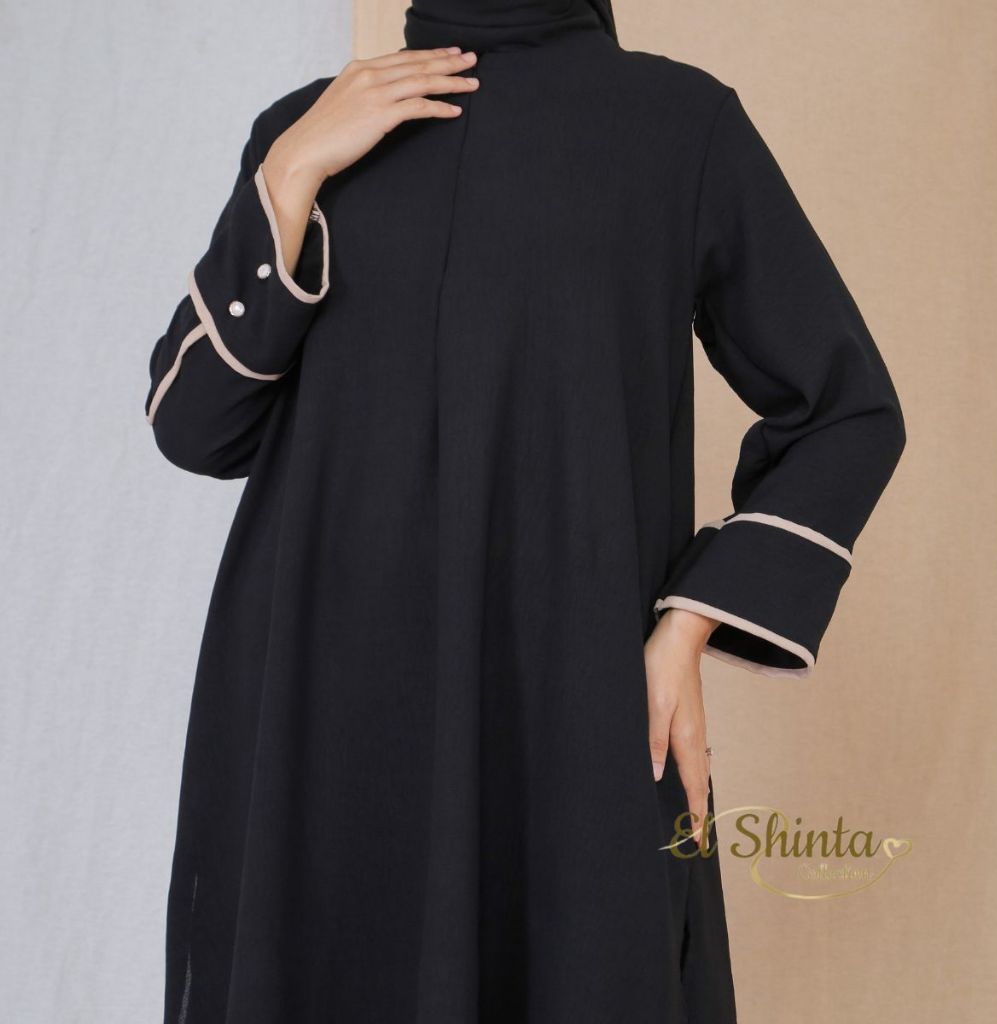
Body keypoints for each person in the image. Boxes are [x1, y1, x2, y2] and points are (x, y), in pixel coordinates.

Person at [143, 1, 906, 1021]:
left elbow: (845, 412)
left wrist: (687, 624)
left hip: (569, 701)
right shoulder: (311, 125)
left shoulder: (678, 127)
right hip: (320, 710)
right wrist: (287, 177)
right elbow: (198, 426)